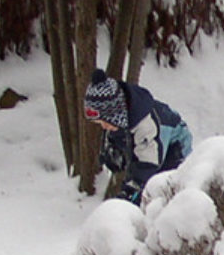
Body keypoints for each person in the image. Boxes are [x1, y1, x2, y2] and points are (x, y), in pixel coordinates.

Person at [83, 68, 193, 203]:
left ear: (115, 113)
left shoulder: (145, 124)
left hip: (174, 147)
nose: (104, 127)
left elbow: (148, 164)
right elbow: (122, 143)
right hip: (149, 147)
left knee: (162, 191)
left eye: (105, 122)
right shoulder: (120, 119)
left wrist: (131, 191)